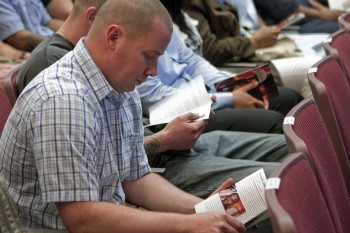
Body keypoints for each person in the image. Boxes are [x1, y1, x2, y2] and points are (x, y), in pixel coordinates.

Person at [0, 0, 258, 232]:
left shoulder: (120, 84)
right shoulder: (63, 99)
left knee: (245, 214)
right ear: (113, 37)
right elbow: (81, 219)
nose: (154, 71)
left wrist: (204, 210)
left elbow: (136, 179)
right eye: (149, 56)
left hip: (103, 217)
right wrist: (188, 223)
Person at [137, 24, 303, 134]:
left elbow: (193, 62)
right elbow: (157, 99)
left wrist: (229, 85)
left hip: (208, 96)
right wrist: (230, 99)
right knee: (272, 122)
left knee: (290, 98)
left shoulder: (159, 16)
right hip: (178, 115)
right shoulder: (132, 28)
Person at [185, 0, 280, 66]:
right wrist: (252, 42)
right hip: (230, 62)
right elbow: (209, 50)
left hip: (242, 51)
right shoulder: (190, 4)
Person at [0, 0, 65, 52]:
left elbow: (48, 23)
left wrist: (72, 34)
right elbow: (20, 39)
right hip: (35, 52)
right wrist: (60, 44)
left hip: (52, 43)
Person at [253, 0, 343, 33]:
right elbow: (291, 10)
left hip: (310, 13)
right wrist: (322, 14)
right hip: (298, 23)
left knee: (344, 21)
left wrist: (322, 9)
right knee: (342, 28)